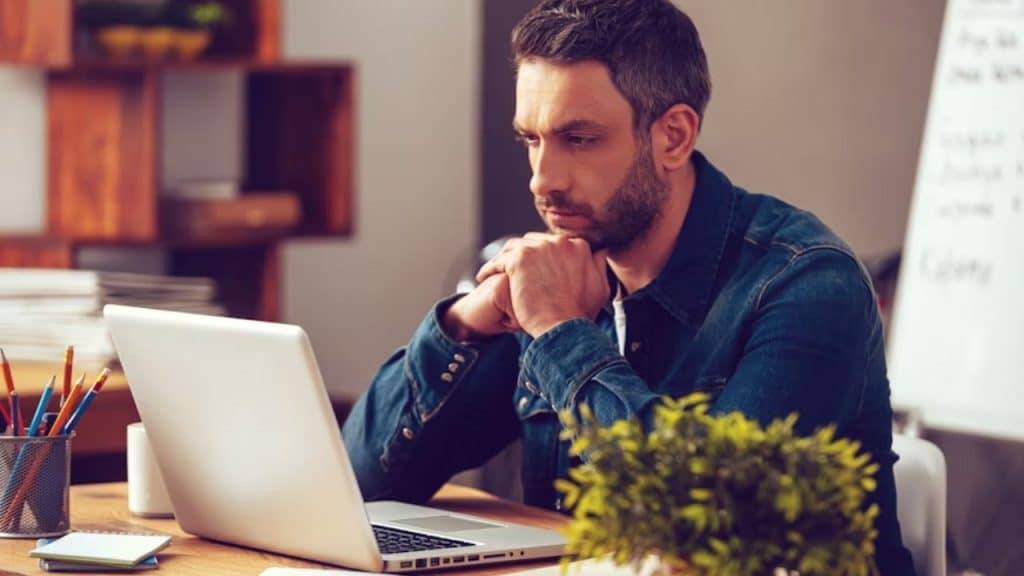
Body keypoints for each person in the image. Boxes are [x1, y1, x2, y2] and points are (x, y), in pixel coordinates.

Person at [342, 0, 915, 573]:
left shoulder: (808, 286)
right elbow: (363, 483)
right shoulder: (557, 276)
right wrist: (464, 323)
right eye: (531, 140)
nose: (542, 179)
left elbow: (705, 527)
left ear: (673, 137)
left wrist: (561, 332)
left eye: (578, 139)